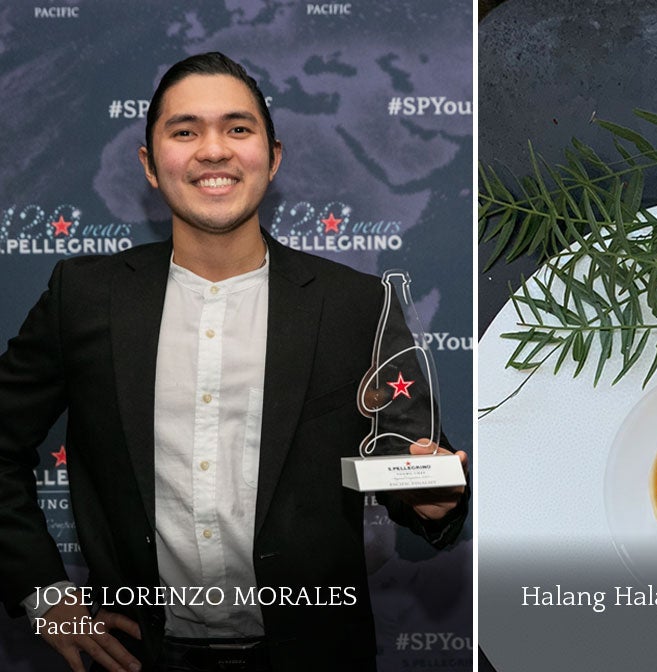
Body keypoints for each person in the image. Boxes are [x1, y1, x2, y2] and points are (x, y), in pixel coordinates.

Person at [0, 52, 468, 672]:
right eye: (185, 130)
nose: (213, 150)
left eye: (238, 129)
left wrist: (434, 500)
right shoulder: (82, 298)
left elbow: (410, 467)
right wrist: (44, 592)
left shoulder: (356, 304)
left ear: (272, 158)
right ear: (149, 164)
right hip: (141, 659)